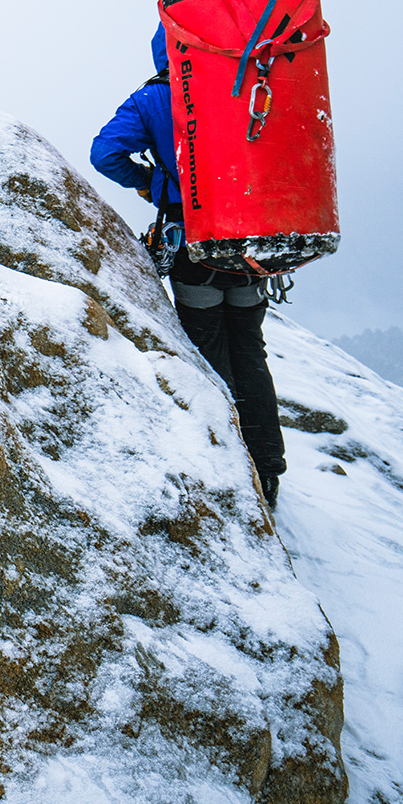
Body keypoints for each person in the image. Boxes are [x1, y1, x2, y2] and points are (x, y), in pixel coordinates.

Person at [92, 27, 287, 510]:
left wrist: (149, 181)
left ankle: (236, 467)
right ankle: (269, 467)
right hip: (250, 248)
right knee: (250, 349)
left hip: (193, 247)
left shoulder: (153, 99)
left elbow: (105, 154)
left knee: (209, 353)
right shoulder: (247, 87)